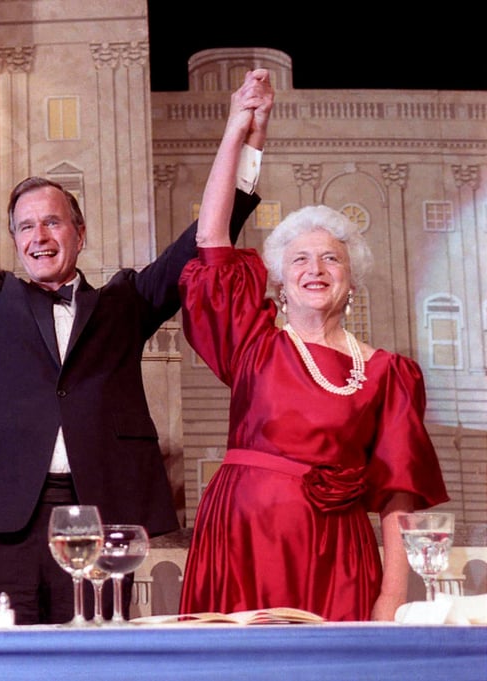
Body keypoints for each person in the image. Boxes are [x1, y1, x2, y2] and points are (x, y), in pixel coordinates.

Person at [0, 57, 267, 624]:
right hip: (6, 519)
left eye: (53, 222)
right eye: (26, 226)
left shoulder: (125, 303)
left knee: (95, 657)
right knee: (4, 664)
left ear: (79, 234)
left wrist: (244, 138)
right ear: (13, 241)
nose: (40, 236)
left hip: (101, 516)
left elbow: (204, 240)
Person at [177, 70, 449, 621]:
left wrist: (390, 600)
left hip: (337, 556)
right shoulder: (253, 344)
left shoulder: (389, 374)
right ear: (280, 279)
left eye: (331, 258)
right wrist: (240, 132)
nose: (315, 268)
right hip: (240, 542)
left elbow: (400, 501)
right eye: (299, 258)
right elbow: (212, 238)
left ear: (352, 280)